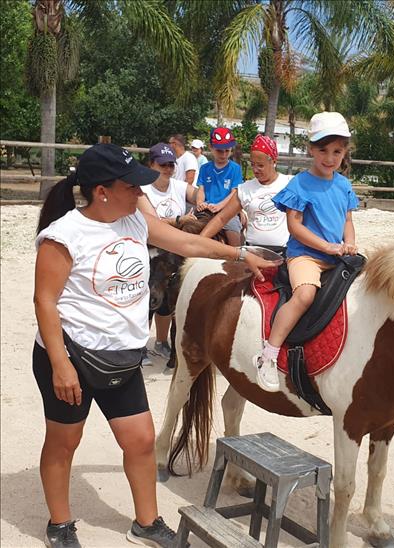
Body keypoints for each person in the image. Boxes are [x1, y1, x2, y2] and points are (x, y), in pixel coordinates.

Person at [33, 143, 279, 548]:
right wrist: (60, 364)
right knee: (64, 443)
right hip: (73, 356)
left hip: (122, 357)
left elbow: (189, 244)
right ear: (102, 192)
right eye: (131, 186)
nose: (140, 192)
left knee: (142, 441)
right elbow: (45, 301)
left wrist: (240, 253)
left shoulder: (135, 221)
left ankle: (146, 523)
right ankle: (60, 525)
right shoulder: (63, 236)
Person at [253, 112, 359, 392]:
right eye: (323, 150)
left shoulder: (344, 185)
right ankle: (269, 353)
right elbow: (295, 226)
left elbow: (348, 221)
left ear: (344, 152)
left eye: (337, 151)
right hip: (306, 255)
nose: (330, 158)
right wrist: (326, 246)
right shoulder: (299, 184)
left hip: (336, 254)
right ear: (311, 149)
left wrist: (350, 242)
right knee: (305, 295)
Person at [138, 142, 198, 361]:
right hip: (149, 251)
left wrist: (202, 202)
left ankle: (161, 342)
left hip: (172, 252)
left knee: (166, 301)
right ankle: (140, 346)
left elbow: (198, 193)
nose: (168, 168)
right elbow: (152, 222)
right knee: (146, 300)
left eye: (171, 164)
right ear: (151, 164)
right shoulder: (142, 190)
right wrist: (180, 220)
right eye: (162, 164)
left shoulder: (178, 186)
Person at [200, 134, 291, 253]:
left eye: (260, 165)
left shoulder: (288, 184)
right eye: (252, 164)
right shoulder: (245, 189)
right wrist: (198, 241)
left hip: (283, 251)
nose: (255, 170)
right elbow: (221, 218)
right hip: (253, 251)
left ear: (273, 161)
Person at [196, 127, 243, 246]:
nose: (224, 154)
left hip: (227, 210)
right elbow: (201, 189)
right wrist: (200, 202)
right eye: (219, 151)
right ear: (211, 148)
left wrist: (219, 206)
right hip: (207, 209)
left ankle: (237, 254)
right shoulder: (204, 168)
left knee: (233, 229)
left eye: (227, 151)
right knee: (189, 225)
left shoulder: (235, 169)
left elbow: (234, 192)